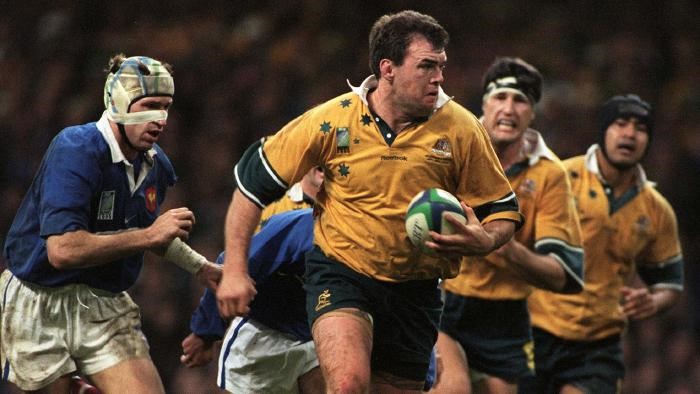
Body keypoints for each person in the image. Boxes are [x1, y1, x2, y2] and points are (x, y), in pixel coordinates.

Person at [216, 10, 523, 393]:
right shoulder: (331, 120)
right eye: (426, 66)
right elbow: (250, 186)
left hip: (416, 289)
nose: (439, 78)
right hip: (341, 272)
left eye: (441, 66)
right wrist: (234, 270)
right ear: (388, 68)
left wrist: (486, 240)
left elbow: (503, 211)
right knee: (347, 384)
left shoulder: (461, 129)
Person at [0, 54, 220, 393]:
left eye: (165, 107)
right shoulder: (76, 148)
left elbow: (149, 234)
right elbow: (62, 250)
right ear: (118, 101)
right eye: (149, 105)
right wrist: (149, 235)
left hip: (103, 301)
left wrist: (200, 267)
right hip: (39, 301)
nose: (160, 119)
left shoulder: (156, 164)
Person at [433, 58, 585, 394]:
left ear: (533, 113)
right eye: (500, 97)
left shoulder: (550, 175)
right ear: (484, 104)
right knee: (453, 388)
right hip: (444, 299)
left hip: (505, 319)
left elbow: (565, 274)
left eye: (521, 101)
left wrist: (499, 242)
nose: (509, 108)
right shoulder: (451, 149)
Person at [519, 94, 684, 394]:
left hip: (598, 347)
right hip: (533, 332)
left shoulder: (657, 210)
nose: (630, 134)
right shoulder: (559, 178)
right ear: (603, 131)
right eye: (620, 124)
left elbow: (670, 284)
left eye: (641, 128)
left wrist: (654, 301)